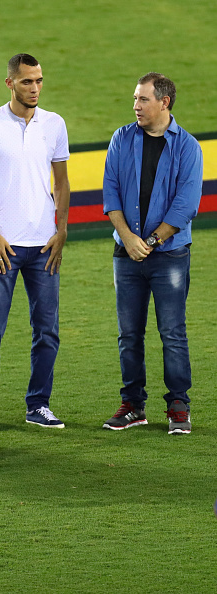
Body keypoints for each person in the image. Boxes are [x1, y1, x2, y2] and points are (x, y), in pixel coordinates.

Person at [0, 53, 70, 432]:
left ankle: (39, 404)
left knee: (47, 331)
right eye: (27, 81)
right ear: (10, 83)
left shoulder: (54, 125)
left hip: (44, 246)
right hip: (2, 247)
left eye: (39, 80)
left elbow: (61, 182)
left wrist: (61, 230)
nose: (36, 88)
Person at [102, 72, 203, 435]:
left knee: (172, 332)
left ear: (165, 102)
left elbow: (186, 205)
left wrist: (151, 242)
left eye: (143, 100)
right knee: (128, 333)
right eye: (134, 99)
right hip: (126, 252)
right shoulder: (121, 138)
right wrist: (128, 239)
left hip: (169, 254)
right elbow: (110, 192)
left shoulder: (188, 147)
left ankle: (178, 405)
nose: (135, 106)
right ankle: (133, 404)